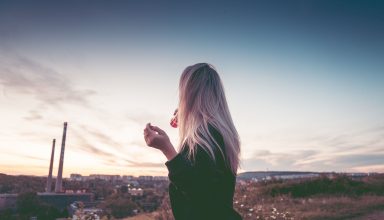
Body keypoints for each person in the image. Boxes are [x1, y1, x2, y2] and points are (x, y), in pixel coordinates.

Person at [143, 63, 242, 220]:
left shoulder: (207, 136)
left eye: (183, 92)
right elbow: (209, 187)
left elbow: (200, 195)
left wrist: (167, 149)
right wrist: (188, 121)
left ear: (189, 94)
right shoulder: (218, 133)